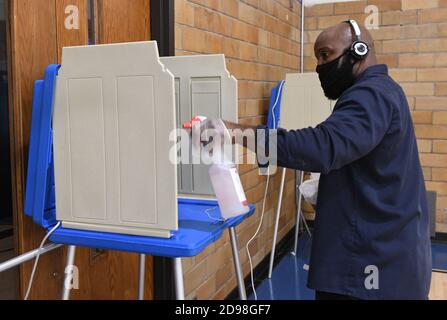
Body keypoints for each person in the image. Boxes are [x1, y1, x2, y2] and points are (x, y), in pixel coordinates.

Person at [197, 20, 432, 300]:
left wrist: (235, 132)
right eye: (317, 58)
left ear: (359, 50)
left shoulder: (371, 94)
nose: (320, 67)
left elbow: (322, 147)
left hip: (369, 265)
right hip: (384, 252)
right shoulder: (383, 91)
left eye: (326, 55)